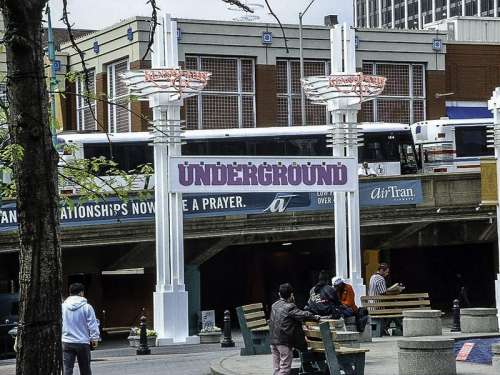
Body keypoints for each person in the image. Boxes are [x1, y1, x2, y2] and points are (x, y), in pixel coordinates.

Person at [269, 283, 320, 375]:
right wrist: (315, 316)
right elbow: (302, 314)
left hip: (273, 340)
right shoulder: (290, 307)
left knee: (277, 368)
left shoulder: (274, 305)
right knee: (284, 368)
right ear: (292, 295)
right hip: (283, 342)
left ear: (279, 294)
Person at [62, 283, 100, 375]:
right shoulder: (87, 307)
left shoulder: (63, 306)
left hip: (66, 341)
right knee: (85, 369)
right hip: (82, 342)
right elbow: (93, 325)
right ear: (81, 293)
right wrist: (94, 338)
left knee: (67, 369)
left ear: (70, 293)